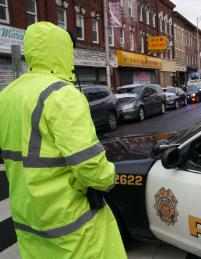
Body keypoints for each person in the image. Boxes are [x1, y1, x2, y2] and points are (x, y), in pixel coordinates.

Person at [0, 22, 126, 259]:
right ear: (62, 51)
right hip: (71, 224)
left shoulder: (6, 95)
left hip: (28, 218)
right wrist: (109, 178)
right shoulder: (63, 95)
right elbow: (90, 167)